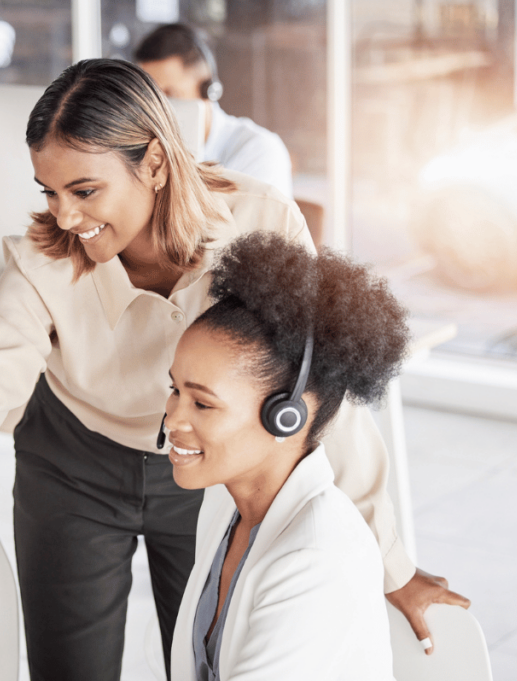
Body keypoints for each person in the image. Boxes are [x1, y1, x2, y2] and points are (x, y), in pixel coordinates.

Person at [0, 59, 462, 680]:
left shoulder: (262, 221)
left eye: (84, 190)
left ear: (156, 164)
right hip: (73, 462)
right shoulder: (48, 258)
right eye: (49, 191)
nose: (64, 216)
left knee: (203, 661)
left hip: (198, 468)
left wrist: (392, 564)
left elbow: (322, 394)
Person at [165, 232, 416, 679]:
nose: (173, 421)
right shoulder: (225, 503)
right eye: (175, 391)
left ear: (288, 416)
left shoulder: (315, 556)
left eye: (202, 404)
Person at [134, 23, 293, 198]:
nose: (159, 108)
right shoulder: (146, 153)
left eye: (171, 95)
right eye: (150, 97)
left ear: (208, 90)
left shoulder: (259, 150)